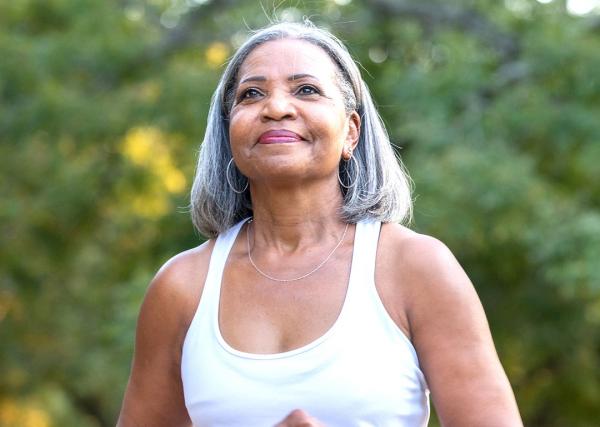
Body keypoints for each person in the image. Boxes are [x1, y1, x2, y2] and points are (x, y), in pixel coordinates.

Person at [117, 21, 523, 427]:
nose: (276, 107)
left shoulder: (416, 267)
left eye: (306, 90)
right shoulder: (181, 287)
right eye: (251, 94)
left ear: (351, 132)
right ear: (229, 133)